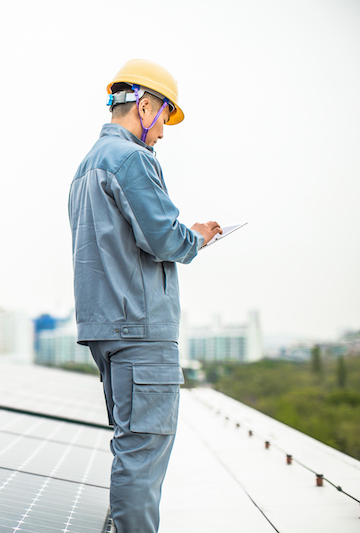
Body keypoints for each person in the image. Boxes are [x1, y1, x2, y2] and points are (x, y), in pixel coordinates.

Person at [68, 59, 222, 533]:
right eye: (164, 118)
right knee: (143, 455)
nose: (162, 133)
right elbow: (162, 237)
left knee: (130, 446)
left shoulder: (85, 166)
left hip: (108, 329)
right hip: (140, 328)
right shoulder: (131, 158)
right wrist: (196, 236)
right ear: (146, 105)